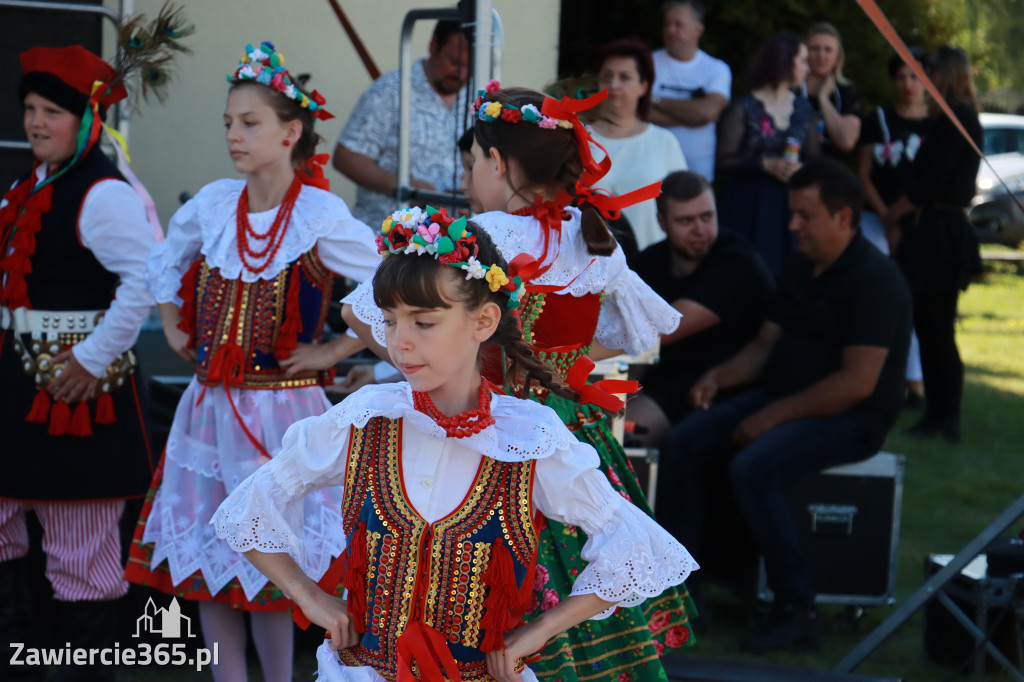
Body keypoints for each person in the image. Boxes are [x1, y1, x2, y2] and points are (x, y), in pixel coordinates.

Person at [212, 213, 697, 682]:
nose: (400, 342)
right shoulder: (366, 419)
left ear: (483, 320)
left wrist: (541, 630)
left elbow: (636, 546)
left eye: (423, 323)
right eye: (389, 321)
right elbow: (250, 505)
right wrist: (308, 596)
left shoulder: (527, 438)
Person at [342, 85, 698, 681]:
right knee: (599, 550)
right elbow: (643, 327)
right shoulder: (591, 238)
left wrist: (421, 367)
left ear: (499, 164)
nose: (469, 176)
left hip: (489, 433)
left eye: (475, 161)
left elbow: (361, 309)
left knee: (476, 592)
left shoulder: (484, 237)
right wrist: (561, 360)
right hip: (576, 432)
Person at [124, 42, 379, 682]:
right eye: (229, 123)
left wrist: (336, 348)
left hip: (286, 409)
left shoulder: (318, 212)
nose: (235, 135)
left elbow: (390, 280)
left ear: (291, 132)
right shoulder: (214, 204)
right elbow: (164, 256)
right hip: (210, 408)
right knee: (214, 561)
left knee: (271, 556)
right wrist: (171, 318)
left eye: (250, 123)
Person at [661, 158, 912, 654]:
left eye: (804, 214)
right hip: (784, 394)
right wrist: (717, 377)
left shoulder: (876, 279)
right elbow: (764, 347)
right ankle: (684, 587)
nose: (792, 224)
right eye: (793, 212)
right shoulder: (800, 265)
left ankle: (797, 608)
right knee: (685, 441)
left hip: (850, 417)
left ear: (843, 218)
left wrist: (771, 416)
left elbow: (857, 383)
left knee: (753, 467)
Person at [0, 44, 159, 682]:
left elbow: (144, 280)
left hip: (77, 397)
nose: (36, 123)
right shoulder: (28, 188)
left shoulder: (102, 194)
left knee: (79, 542)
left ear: (85, 119)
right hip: (18, 387)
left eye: (52, 111)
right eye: (30, 109)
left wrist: (93, 358)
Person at [630, 170, 774, 450]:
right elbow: (634, 342)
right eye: (686, 220)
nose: (700, 229)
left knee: (627, 433)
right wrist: (618, 390)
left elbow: (661, 330)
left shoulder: (737, 262)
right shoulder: (650, 261)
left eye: (707, 217)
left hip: (726, 383)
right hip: (666, 377)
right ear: (662, 222)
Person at [884, 46, 983, 444]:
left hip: (941, 232)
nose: (928, 78)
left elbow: (929, 183)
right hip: (937, 229)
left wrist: (893, 214)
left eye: (933, 72)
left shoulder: (956, 119)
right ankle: (938, 414)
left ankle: (946, 417)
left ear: (948, 74)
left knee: (938, 329)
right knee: (930, 328)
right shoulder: (955, 118)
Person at [333, 20, 470, 225]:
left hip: (450, 241)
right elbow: (346, 157)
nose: (461, 74)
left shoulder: (477, 97)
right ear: (433, 45)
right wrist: (405, 187)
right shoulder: (390, 91)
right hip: (386, 238)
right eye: (454, 61)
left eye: (470, 66)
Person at [856, 49, 932, 407]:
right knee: (883, 295)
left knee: (916, 300)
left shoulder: (937, 124)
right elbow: (864, 174)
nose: (908, 85)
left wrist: (900, 219)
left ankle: (916, 381)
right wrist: (887, 218)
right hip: (876, 221)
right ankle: (885, 379)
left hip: (920, 225)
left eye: (915, 77)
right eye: (901, 77)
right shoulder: (880, 120)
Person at [717, 33, 818, 276]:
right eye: (802, 60)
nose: (808, 67)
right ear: (784, 62)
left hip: (791, 204)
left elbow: (816, 160)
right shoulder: (745, 105)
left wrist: (800, 168)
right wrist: (765, 164)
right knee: (746, 272)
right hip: (749, 204)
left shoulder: (804, 108)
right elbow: (723, 161)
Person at [588, 39, 688, 251]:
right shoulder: (578, 138)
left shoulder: (664, 141)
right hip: (589, 268)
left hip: (651, 263)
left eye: (624, 77)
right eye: (607, 76)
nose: (613, 84)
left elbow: (684, 205)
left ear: (644, 86)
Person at [648, 0, 731, 181]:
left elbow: (708, 112)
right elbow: (641, 114)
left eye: (678, 24)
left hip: (698, 175)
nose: (670, 30)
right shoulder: (648, 63)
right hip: (650, 172)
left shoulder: (716, 69)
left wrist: (656, 100)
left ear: (698, 30)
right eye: (667, 24)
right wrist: (694, 117)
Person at [804, 23, 863, 161]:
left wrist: (823, 98)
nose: (821, 55)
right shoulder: (790, 88)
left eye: (828, 50)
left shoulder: (848, 92)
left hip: (829, 173)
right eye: (814, 49)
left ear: (837, 58)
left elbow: (847, 141)